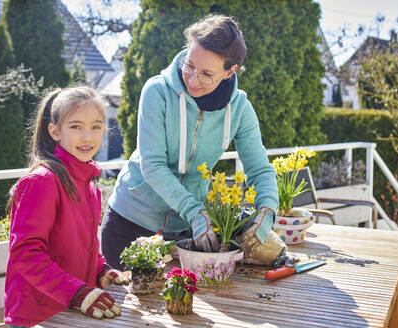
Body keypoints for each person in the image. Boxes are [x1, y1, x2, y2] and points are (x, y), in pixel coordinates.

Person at [102, 14, 285, 270]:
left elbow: (259, 170)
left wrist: (266, 212)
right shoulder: (157, 91)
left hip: (184, 232)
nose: (192, 79)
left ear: (230, 71)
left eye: (207, 74)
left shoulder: (240, 109)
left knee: (180, 306)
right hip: (130, 219)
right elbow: (153, 165)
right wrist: (197, 213)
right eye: (189, 66)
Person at [4, 86, 130, 328]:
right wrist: (78, 293)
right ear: (55, 132)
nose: (87, 137)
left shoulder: (88, 182)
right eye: (75, 127)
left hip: (71, 310)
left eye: (96, 126)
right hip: (36, 316)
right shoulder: (42, 182)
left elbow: (85, 246)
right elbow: (26, 254)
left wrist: (101, 269)